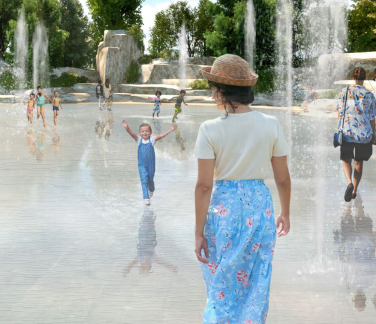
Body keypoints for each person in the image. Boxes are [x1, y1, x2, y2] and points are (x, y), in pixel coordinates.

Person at [193, 54, 291, 324]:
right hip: (260, 208)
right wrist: (285, 212)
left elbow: (203, 186)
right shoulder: (270, 124)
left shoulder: (209, 129)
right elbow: (282, 178)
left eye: (213, 88)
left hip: (223, 211)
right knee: (256, 284)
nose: (213, 94)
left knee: (222, 284)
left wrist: (198, 232)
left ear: (221, 91)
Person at [336, 67, 376, 202]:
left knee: (346, 160)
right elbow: (372, 117)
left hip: (347, 132)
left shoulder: (344, 92)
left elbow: (339, 112)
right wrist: (374, 134)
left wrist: (339, 129)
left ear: (353, 78)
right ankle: (354, 190)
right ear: (364, 78)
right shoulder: (369, 95)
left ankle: (349, 182)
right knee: (359, 163)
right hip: (364, 134)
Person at [122, 120, 177, 205]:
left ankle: (151, 189)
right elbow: (131, 134)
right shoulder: (138, 139)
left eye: (147, 131)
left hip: (151, 165)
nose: (145, 133)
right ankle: (146, 197)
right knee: (144, 180)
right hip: (142, 165)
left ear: (150, 132)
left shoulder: (152, 139)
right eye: (142, 131)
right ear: (140, 133)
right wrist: (126, 127)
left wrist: (170, 130)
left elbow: (162, 136)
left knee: (150, 180)